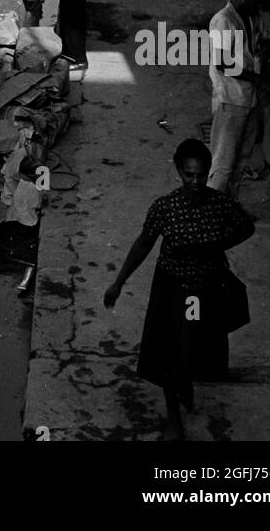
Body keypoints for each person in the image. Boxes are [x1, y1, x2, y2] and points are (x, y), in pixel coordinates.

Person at [104, 139, 255, 441]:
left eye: (200, 174)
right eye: (189, 174)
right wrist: (118, 282)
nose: (195, 182)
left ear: (208, 172)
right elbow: (143, 244)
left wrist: (216, 246)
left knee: (200, 347)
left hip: (205, 290)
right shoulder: (165, 207)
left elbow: (245, 227)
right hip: (173, 289)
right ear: (178, 172)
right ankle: (173, 418)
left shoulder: (220, 204)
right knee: (170, 355)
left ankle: (199, 378)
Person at [207, 0, 270, 194]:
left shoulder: (252, 15)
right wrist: (260, 80)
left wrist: (267, 53)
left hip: (249, 99)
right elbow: (223, 63)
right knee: (223, 163)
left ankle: (231, 211)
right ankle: (213, 214)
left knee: (241, 159)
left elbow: (264, 42)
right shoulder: (223, 20)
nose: (260, 5)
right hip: (230, 99)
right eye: (257, 0)